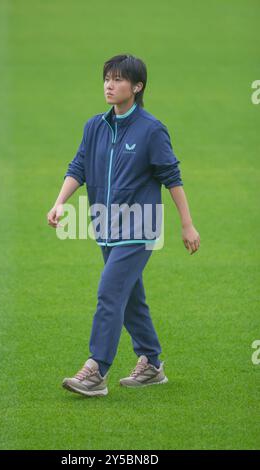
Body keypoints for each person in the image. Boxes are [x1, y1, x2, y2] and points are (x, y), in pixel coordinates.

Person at [47, 54, 200, 397]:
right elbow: (79, 167)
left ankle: (95, 371)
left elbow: (172, 178)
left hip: (140, 228)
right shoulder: (94, 126)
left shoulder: (151, 130)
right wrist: (60, 202)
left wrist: (187, 225)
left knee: (110, 292)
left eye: (117, 79)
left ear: (137, 86)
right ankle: (151, 364)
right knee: (130, 297)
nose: (109, 85)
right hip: (104, 226)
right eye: (106, 78)